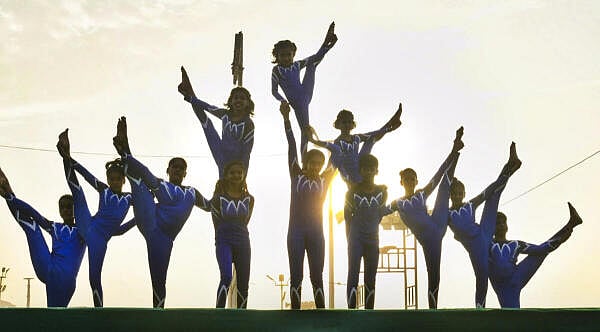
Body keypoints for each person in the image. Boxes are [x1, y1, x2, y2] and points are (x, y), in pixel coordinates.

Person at [112, 116, 210, 308]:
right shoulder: (163, 185)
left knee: (159, 281)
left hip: (163, 239)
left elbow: (209, 206)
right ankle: (125, 151)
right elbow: (147, 174)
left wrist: (227, 188)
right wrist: (127, 151)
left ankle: (158, 314)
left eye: (182, 168)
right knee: (138, 181)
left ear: (185, 173)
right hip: (150, 223)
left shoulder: (191, 193)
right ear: (169, 170)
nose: (178, 170)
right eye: (175, 167)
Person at [56, 129, 135, 307]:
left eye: (117, 179)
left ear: (123, 180)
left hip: (99, 240)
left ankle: (99, 311)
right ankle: (64, 155)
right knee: (77, 191)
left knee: (94, 278)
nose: (114, 182)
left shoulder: (130, 199)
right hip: (87, 224)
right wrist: (69, 159)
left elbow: (119, 230)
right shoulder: (104, 190)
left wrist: (136, 220)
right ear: (108, 180)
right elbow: (86, 175)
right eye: (111, 179)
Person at [389, 127, 464, 309]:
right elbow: (377, 211)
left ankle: (457, 149)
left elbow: (438, 175)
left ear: (416, 181)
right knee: (434, 275)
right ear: (401, 182)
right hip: (430, 241)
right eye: (406, 178)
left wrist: (453, 151)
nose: (409, 181)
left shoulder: (421, 194)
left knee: (444, 184)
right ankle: (433, 309)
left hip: (437, 222)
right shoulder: (396, 203)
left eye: (412, 178)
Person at [448, 142, 521, 308]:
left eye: (460, 193)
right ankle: (480, 309)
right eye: (454, 193)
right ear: (450, 194)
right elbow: (435, 223)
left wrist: (503, 177)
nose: (458, 195)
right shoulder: (447, 214)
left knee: (492, 196)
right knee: (482, 277)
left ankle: (509, 167)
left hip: (484, 231)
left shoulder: (470, 205)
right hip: (477, 248)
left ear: (464, 194)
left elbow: (485, 193)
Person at [0, 168, 85, 307]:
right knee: (32, 227)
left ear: (76, 208)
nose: (66, 210)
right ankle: (7, 192)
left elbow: (103, 233)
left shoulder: (82, 232)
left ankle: (8, 195)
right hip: (48, 266)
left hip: (64, 280)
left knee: (54, 315)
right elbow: (34, 213)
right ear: (59, 210)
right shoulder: (55, 227)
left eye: (69, 207)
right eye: (62, 207)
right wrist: (10, 197)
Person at [280, 102, 335, 309]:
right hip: (295, 232)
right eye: (312, 163)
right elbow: (292, 145)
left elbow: (336, 154)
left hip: (316, 234)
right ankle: (295, 315)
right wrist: (286, 119)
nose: (316, 167)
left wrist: (316, 140)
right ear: (306, 163)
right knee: (296, 275)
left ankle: (321, 315)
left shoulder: (325, 180)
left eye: (319, 164)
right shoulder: (296, 175)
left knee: (317, 275)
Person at [489, 204, 582, 308]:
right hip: (503, 286)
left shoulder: (516, 244)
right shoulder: (487, 244)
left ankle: (571, 224)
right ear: (491, 227)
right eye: (497, 223)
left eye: (503, 222)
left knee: (542, 251)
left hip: (515, 279)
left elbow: (540, 249)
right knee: (512, 313)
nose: (501, 225)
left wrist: (562, 237)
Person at [271, 22, 337, 156]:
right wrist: (283, 101)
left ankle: (326, 41)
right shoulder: (277, 70)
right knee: (305, 130)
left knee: (312, 63)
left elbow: (315, 58)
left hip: (306, 92)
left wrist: (328, 46)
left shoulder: (296, 65)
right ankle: (304, 158)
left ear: (293, 54)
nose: (286, 58)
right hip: (298, 103)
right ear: (277, 57)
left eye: (289, 55)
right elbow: (274, 91)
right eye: (282, 55)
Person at [178, 67, 255, 177]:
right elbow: (207, 107)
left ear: (248, 103)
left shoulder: (248, 123)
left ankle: (190, 94)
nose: (238, 100)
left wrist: (243, 175)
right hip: (221, 152)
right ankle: (189, 92)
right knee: (206, 123)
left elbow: (247, 152)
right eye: (236, 98)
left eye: (242, 99)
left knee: (228, 177)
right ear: (230, 101)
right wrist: (190, 98)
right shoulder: (225, 114)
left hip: (236, 160)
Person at [345, 154, 394, 309]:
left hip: (373, 239)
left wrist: (371, 229)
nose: (368, 172)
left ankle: (369, 312)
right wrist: (350, 239)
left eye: (371, 169)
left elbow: (378, 216)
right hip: (356, 238)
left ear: (376, 171)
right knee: (353, 273)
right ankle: (351, 311)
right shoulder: (352, 192)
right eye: (365, 169)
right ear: (360, 171)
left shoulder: (382, 192)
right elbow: (347, 218)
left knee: (371, 276)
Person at [308, 105, 402, 185]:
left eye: (349, 122)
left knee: (371, 139)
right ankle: (321, 179)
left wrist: (388, 128)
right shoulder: (338, 141)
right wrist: (313, 140)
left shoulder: (357, 138)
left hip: (360, 166)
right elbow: (327, 145)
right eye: (344, 122)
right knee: (336, 155)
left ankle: (390, 124)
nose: (347, 124)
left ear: (353, 124)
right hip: (348, 172)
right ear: (338, 124)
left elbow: (374, 134)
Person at [203, 161, 254, 309]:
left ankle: (242, 316)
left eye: (239, 172)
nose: (236, 175)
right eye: (232, 172)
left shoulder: (250, 199)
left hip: (243, 242)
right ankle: (219, 312)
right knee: (226, 276)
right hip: (224, 240)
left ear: (243, 175)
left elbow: (245, 221)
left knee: (243, 283)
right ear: (226, 175)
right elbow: (216, 222)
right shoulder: (218, 199)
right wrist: (221, 238)